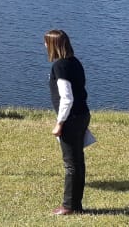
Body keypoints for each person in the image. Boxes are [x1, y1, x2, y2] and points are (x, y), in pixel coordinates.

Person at [44, 29, 91, 215]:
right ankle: (76, 205)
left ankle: (69, 206)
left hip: (71, 119)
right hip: (82, 114)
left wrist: (60, 122)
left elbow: (67, 98)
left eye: (47, 42)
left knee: (71, 164)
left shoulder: (60, 67)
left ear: (54, 45)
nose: (45, 45)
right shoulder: (75, 62)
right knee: (78, 162)